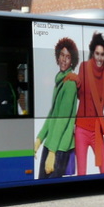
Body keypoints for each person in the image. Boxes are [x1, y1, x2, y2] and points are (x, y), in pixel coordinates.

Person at [35, 37, 79, 179]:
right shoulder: (60, 79)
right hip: (51, 144)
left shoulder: (70, 83)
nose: (64, 60)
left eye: (68, 57)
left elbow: (63, 120)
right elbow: (52, 114)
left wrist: (53, 152)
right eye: (62, 55)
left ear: (72, 60)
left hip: (60, 147)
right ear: (57, 56)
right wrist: (40, 139)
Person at [74, 32, 104, 175]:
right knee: (81, 172)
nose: (99, 58)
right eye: (97, 53)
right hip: (82, 129)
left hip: (97, 130)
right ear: (92, 53)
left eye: (102, 55)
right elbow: (78, 93)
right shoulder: (83, 67)